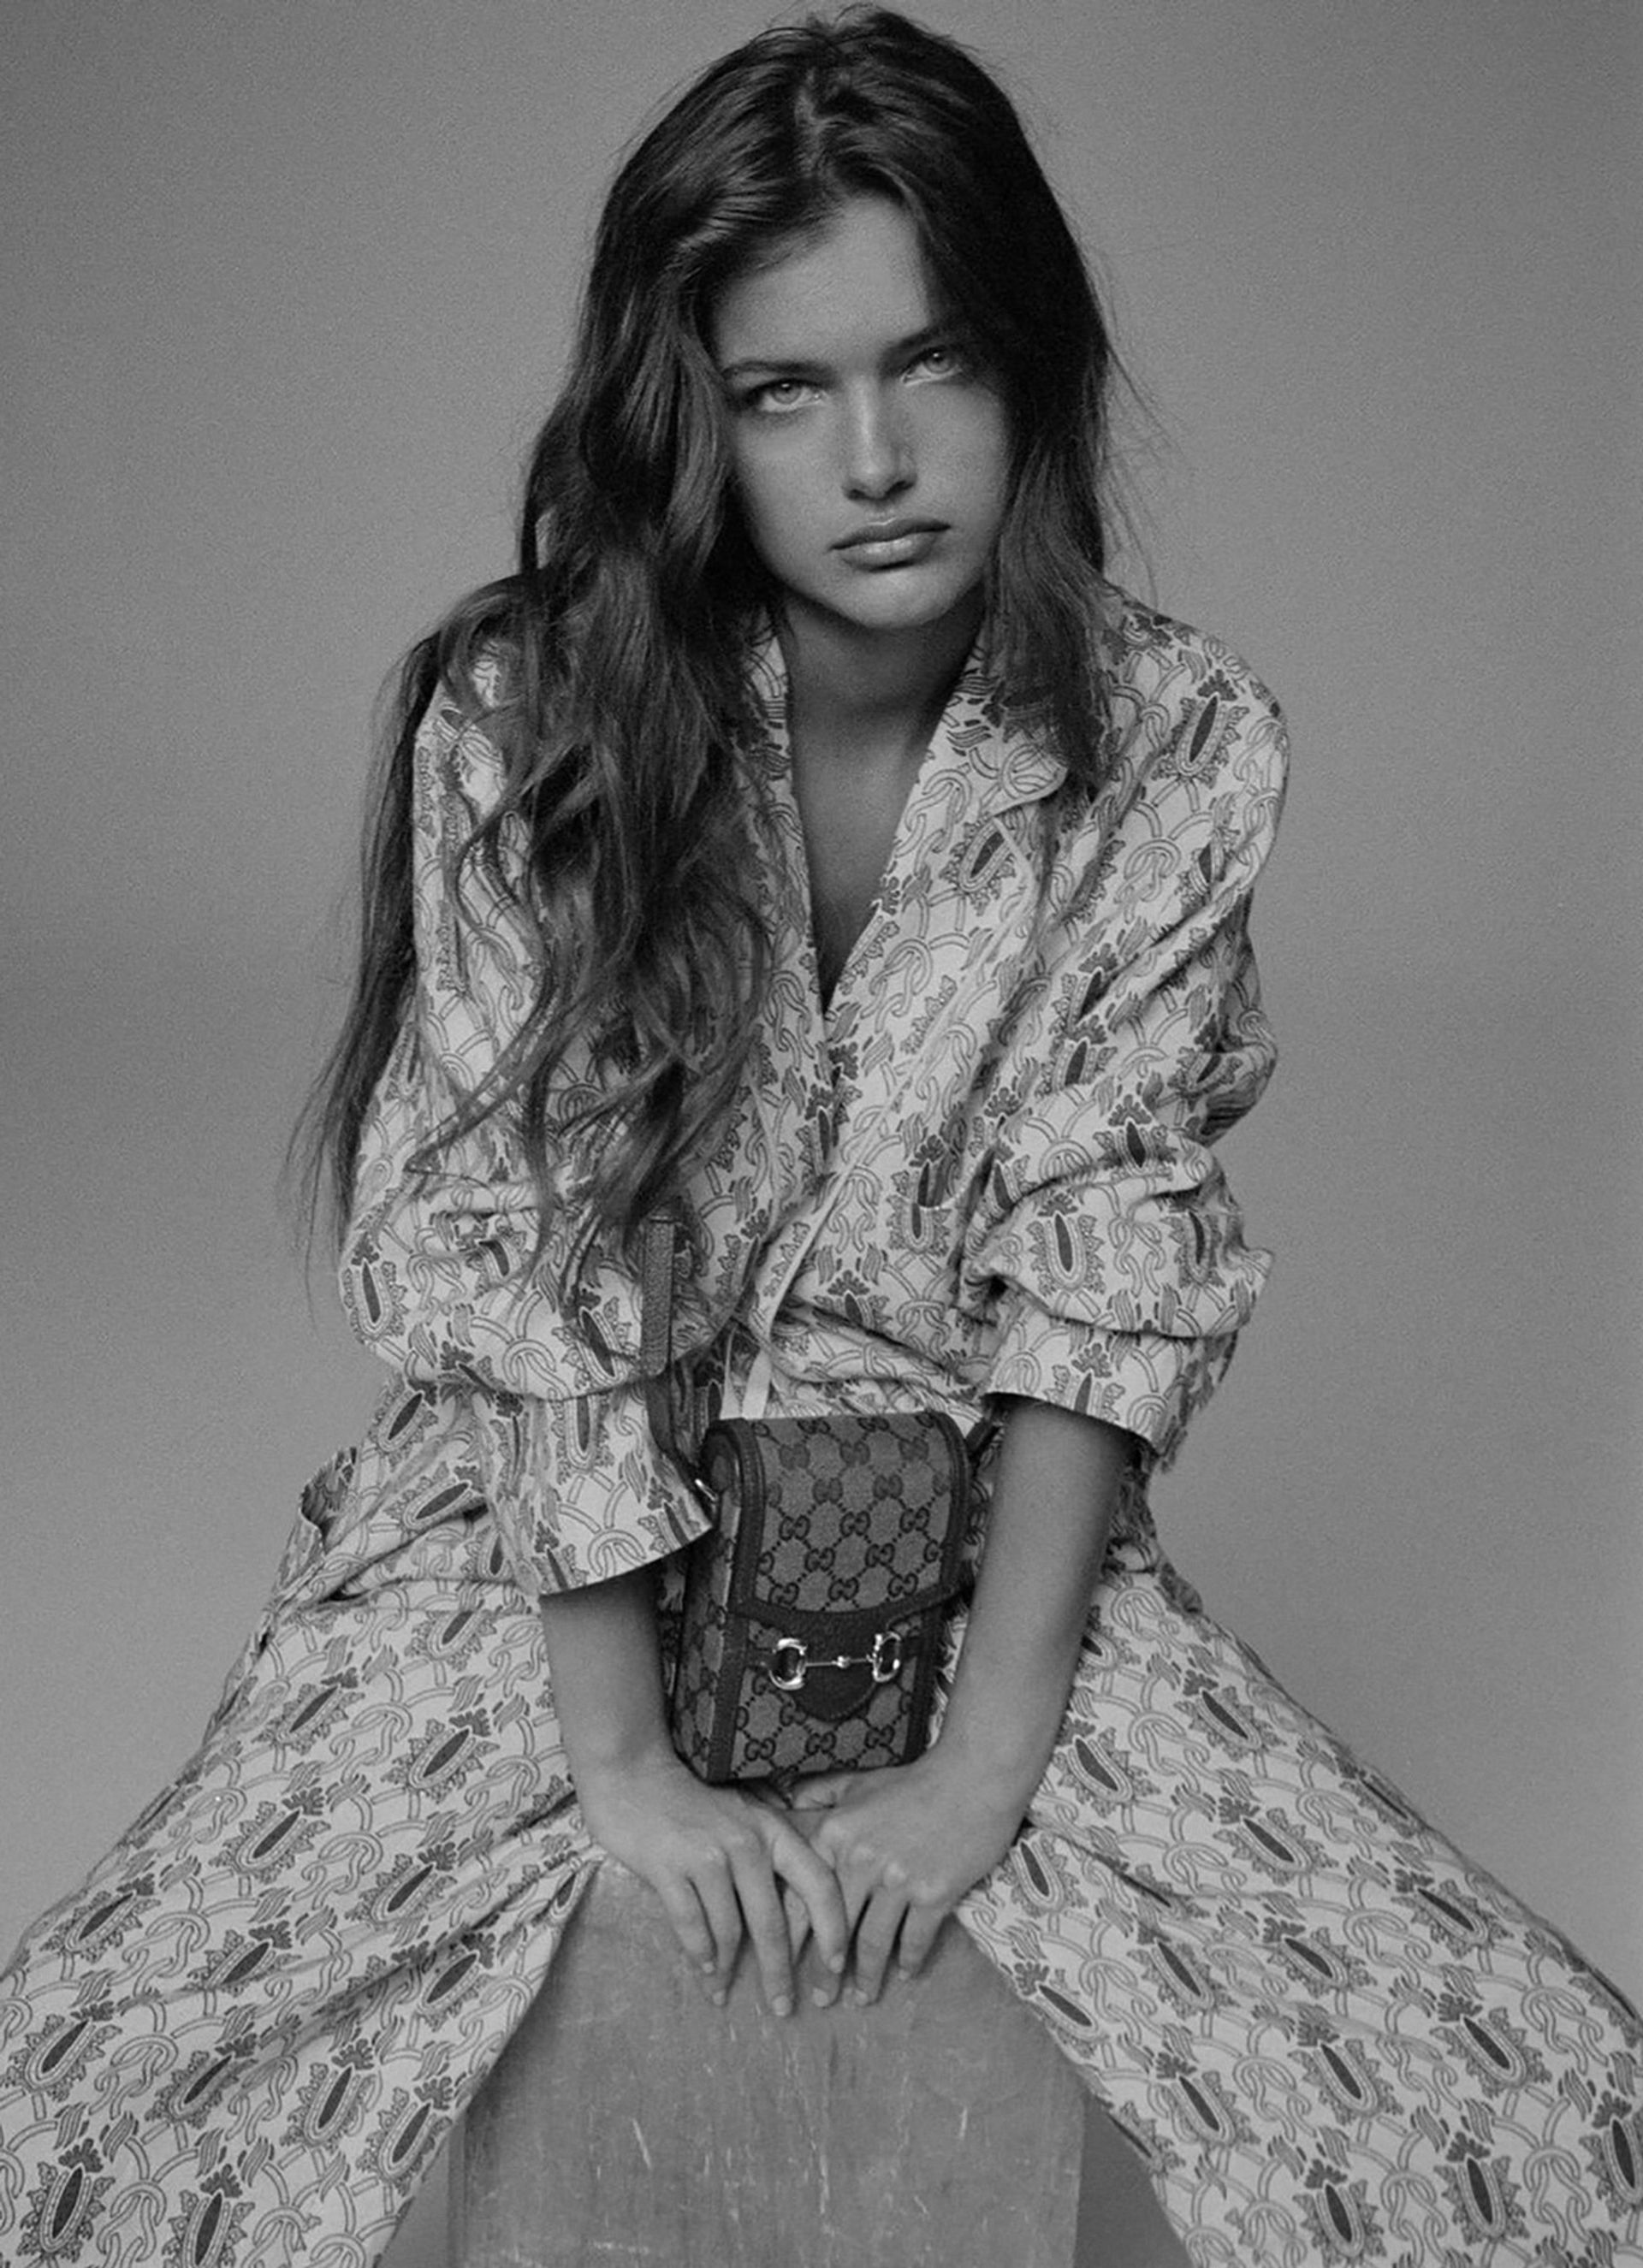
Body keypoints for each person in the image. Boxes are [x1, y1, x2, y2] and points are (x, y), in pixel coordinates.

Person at [2, 10, 1638, 2265]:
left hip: (970, 1557)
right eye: (784, 390)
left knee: (1532, 2104)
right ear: (693, 418)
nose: (876, 458)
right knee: (93, 2096)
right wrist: (623, 1763)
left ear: (1031, 366)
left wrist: (987, 1761)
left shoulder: (1178, 745)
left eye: (932, 361)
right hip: (538, 1554)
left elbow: (1104, 1271)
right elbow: (523, 1246)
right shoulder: (529, 722)